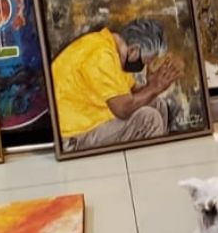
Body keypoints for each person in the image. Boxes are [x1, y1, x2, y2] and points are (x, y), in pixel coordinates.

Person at [50, 20, 182, 152]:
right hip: (73, 136)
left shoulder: (112, 49)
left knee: (157, 104)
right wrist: (153, 88)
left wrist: (150, 86)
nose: (145, 66)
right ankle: (152, 162)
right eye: (146, 61)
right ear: (133, 50)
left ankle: (158, 154)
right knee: (149, 120)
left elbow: (132, 93)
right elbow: (123, 109)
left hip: (93, 119)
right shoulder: (101, 55)